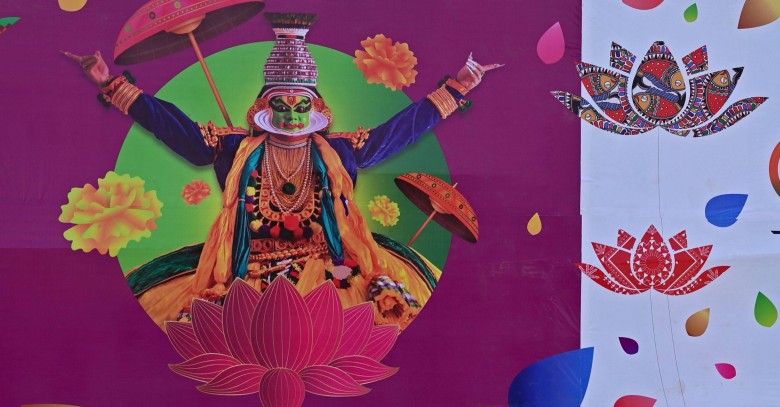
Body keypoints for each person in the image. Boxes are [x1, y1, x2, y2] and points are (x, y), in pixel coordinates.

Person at [66, 12, 500, 330]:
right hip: (241, 268)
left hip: (329, 264)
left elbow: (400, 131)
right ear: (263, 106)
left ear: (316, 109)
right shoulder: (232, 147)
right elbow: (171, 124)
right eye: (281, 104)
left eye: (301, 105)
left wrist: (458, 86)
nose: (291, 115)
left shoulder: (342, 151)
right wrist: (111, 83)